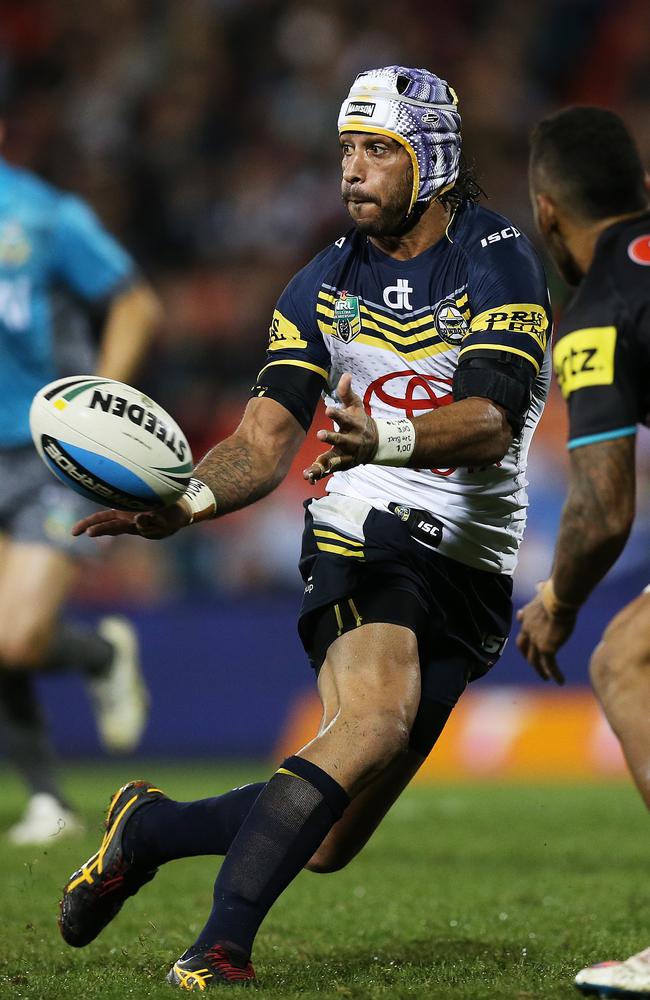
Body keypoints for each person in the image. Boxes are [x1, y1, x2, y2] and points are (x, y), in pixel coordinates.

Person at [60, 65, 552, 989]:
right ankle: (219, 949)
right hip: (360, 532)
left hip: (472, 565)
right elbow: (263, 438)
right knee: (371, 720)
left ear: (432, 160)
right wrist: (186, 504)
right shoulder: (320, 284)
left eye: (377, 150)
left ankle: (152, 830)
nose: (353, 171)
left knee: (327, 842)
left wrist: (390, 431)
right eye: (346, 151)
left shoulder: (498, 260)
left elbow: (491, 417)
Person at [517, 106, 650, 998]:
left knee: (628, 659)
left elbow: (602, 508)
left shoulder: (599, 311)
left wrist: (557, 601)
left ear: (546, 214)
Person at [0, 114, 162, 845]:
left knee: (15, 638)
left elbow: (136, 303)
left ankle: (101, 654)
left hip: (39, 449)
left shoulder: (44, 216)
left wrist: (94, 409)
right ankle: (45, 799)